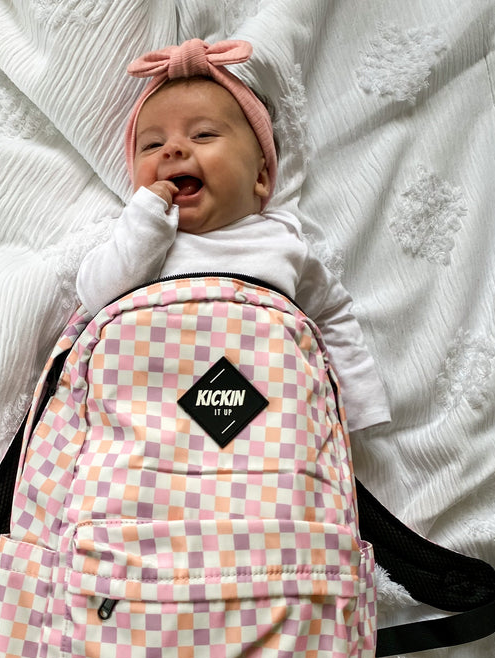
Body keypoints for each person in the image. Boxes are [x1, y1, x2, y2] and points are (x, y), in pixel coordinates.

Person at [76, 38, 390, 431]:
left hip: (264, 424)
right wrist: (144, 221)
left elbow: (330, 311)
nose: (172, 150)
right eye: (152, 144)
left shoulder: (281, 244)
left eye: (203, 135)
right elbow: (95, 297)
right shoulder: (138, 239)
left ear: (260, 177)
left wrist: (357, 404)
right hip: (146, 422)